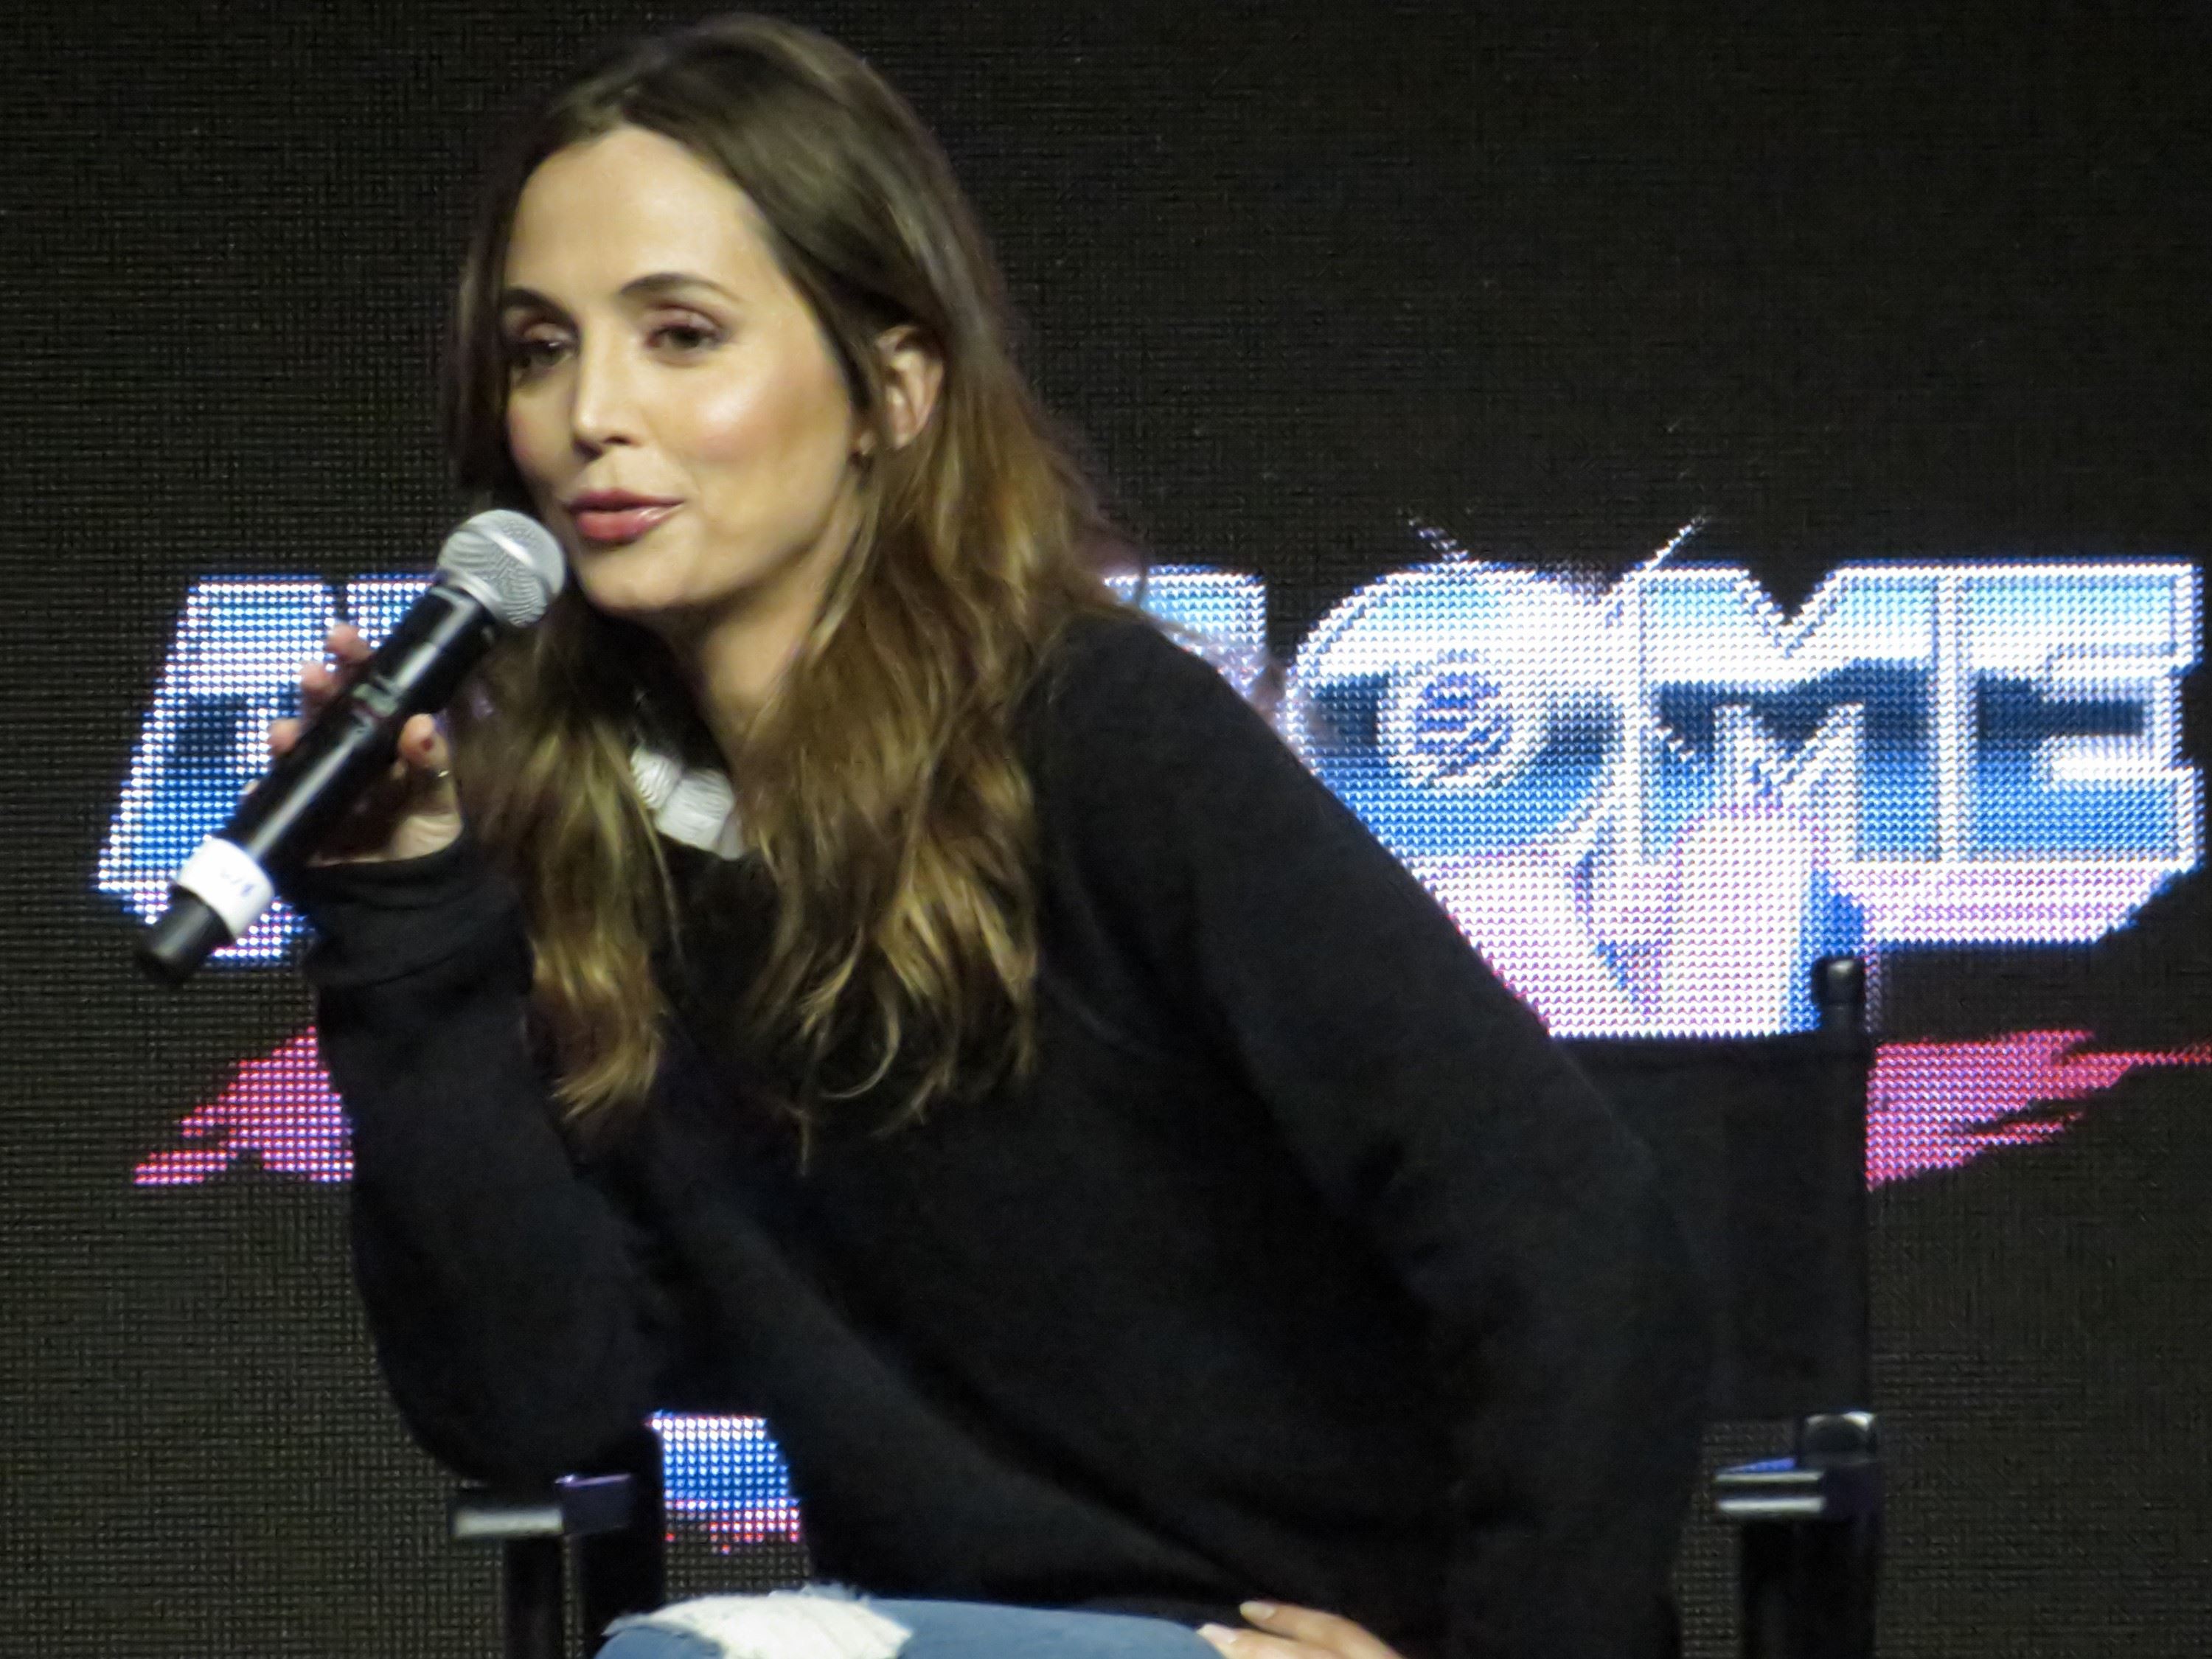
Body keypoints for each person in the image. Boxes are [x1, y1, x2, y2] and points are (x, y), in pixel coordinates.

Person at [270, 15, 1711, 1659]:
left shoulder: (1097, 736)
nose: (593, 411)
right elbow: (534, 1406)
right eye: (540, 350)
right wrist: (403, 915)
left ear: (893, 387)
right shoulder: (608, 841)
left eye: (680, 336)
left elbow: (1576, 1239)